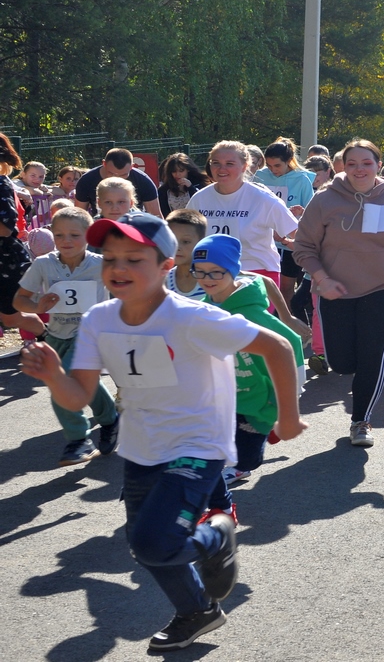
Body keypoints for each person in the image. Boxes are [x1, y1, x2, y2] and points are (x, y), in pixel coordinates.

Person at [19, 210, 304, 652]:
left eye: (135, 259)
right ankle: (198, 611)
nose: (119, 268)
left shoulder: (191, 317)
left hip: (198, 443)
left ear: (168, 267)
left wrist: (287, 417)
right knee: (144, 544)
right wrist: (55, 376)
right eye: (110, 257)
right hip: (141, 444)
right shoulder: (98, 319)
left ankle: (215, 537)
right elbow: (79, 397)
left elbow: (278, 345)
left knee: (156, 542)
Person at [292, 139, 384, 448]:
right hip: (334, 291)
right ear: (342, 166)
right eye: (352, 163)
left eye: (366, 163)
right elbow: (303, 248)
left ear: (377, 166)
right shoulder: (324, 200)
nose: (359, 169)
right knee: (341, 362)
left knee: (372, 358)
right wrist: (321, 279)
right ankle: (376, 351)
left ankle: (361, 421)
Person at [190, 234, 306, 493]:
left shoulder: (253, 315)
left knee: (247, 457)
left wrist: (290, 399)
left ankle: (257, 445)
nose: (206, 280)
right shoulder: (201, 309)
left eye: (215, 273)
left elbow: (291, 343)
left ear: (232, 271)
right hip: (222, 397)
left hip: (258, 401)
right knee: (214, 447)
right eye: (200, 272)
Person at [14, 206, 119, 466]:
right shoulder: (43, 264)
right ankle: (110, 418)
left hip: (90, 336)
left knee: (63, 380)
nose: (66, 241)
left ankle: (78, 439)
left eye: (74, 235)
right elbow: (20, 300)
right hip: (56, 336)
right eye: (59, 235)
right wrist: (37, 306)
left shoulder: (101, 264)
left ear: (88, 236)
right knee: (82, 383)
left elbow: (126, 293)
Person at [187, 141, 298, 285]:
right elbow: (184, 235)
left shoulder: (263, 199)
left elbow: (300, 235)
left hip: (257, 275)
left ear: (244, 166)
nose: (221, 168)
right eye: (216, 163)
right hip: (210, 275)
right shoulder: (200, 199)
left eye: (230, 163)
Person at [253, 138, 315, 307]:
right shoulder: (258, 176)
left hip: (289, 244)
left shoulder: (302, 180)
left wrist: (299, 214)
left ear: (288, 161)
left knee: (286, 288)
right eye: (269, 165)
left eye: (277, 166)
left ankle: (283, 324)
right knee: (264, 286)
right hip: (263, 241)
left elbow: (311, 214)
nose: (272, 170)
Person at [1, 134, 48, 338]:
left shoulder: (2, 185)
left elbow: (5, 228)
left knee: (11, 318)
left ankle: (50, 339)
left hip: (6, 263)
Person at [74, 148, 163, 218]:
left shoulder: (143, 181)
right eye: (111, 173)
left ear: (132, 167)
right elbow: (79, 214)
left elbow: (156, 215)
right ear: (104, 164)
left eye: (124, 175)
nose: (117, 178)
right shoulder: (86, 181)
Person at [165, 209, 208, 301]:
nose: (177, 247)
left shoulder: (211, 280)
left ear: (201, 242)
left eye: (186, 242)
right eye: (172, 240)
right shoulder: (164, 280)